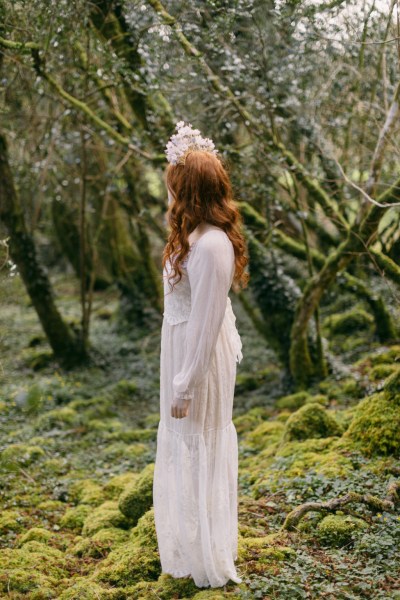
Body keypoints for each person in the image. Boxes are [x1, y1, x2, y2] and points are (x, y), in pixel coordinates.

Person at [153, 121, 249, 588]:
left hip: (199, 362)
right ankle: (186, 551)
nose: (167, 194)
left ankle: (209, 557)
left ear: (189, 191)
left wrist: (184, 383)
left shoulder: (212, 245)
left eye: (174, 185)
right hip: (179, 352)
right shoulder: (192, 235)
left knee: (200, 444)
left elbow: (208, 322)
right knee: (181, 445)